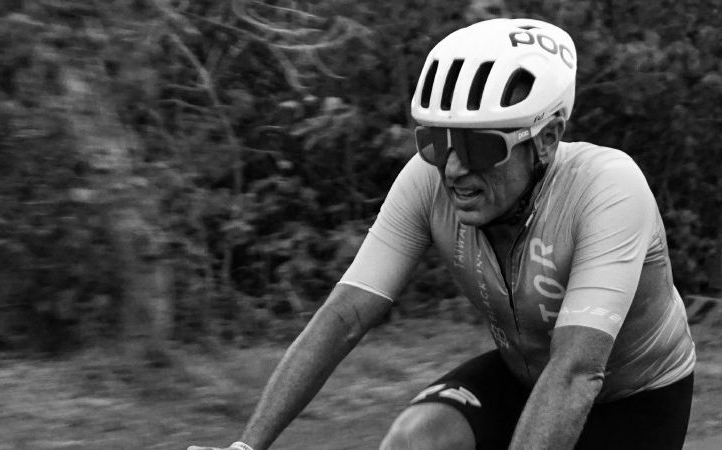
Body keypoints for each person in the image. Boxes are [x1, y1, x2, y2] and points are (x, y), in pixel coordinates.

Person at [188, 18, 696, 450]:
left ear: (547, 139)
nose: (453, 169)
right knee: (415, 441)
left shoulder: (608, 188)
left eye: (479, 149)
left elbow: (577, 370)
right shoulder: (426, 180)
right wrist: (243, 447)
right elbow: (344, 316)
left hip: (636, 398)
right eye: (435, 141)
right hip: (523, 377)